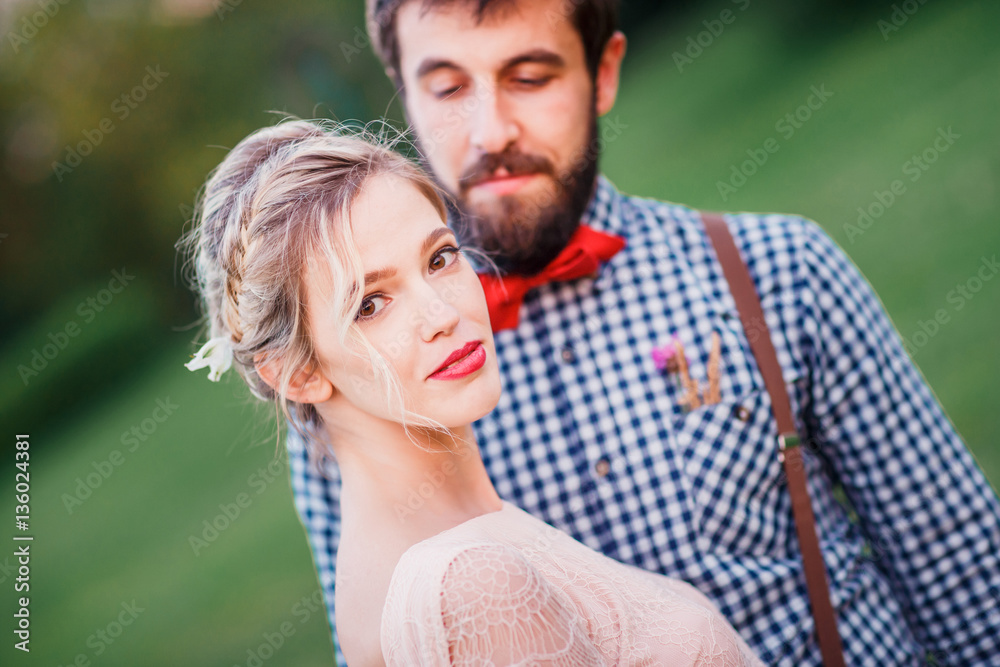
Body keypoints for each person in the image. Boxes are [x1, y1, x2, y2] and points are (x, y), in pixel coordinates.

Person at [285, 0, 1000, 665]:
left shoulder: (777, 270)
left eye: (529, 77)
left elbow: (958, 563)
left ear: (603, 73)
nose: (490, 131)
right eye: (445, 88)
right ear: (403, 92)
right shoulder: (359, 398)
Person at [180, 118, 766, 666]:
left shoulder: (456, 540)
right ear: (297, 373)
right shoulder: (471, 584)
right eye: (370, 304)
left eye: (439, 259)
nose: (442, 313)